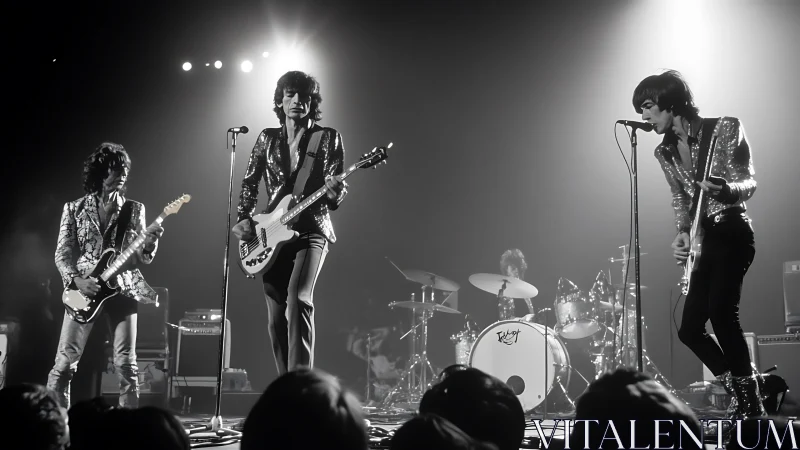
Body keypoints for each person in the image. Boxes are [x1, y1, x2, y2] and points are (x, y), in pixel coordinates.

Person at [632, 70, 764, 418]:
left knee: (722, 314)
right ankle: (744, 384)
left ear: (670, 102)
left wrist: (728, 190)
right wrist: (682, 233)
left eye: (647, 107)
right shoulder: (664, 153)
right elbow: (679, 198)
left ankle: (752, 405)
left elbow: (749, 180)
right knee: (689, 329)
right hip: (702, 242)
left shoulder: (724, 128)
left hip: (732, 231)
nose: (643, 117)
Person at [232, 70, 347, 375]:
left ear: (313, 102)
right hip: (270, 231)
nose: (297, 101)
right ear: (280, 101)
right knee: (275, 315)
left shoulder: (328, 137)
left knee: (298, 299)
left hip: (312, 229)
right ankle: (286, 387)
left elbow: (335, 195)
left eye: (304, 96)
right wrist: (244, 219)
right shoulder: (267, 138)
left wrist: (337, 192)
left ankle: (301, 389)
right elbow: (249, 182)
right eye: (290, 94)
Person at [47, 142, 163, 409]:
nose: (122, 173)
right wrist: (76, 280)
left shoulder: (134, 209)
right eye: (115, 168)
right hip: (83, 289)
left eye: (125, 168)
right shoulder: (73, 208)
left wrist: (151, 243)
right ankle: (53, 423)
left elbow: (143, 258)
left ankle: (129, 431)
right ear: (100, 172)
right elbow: (62, 254)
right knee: (65, 364)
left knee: (126, 365)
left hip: (121, 288)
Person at [497, 249, 536, 320]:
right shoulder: (505, 291)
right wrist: (524, 319)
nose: (516, 270)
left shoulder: (525, 291)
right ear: (506, 270)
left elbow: (532, 315)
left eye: (518, 267)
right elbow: (506, 320)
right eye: (513, 267)